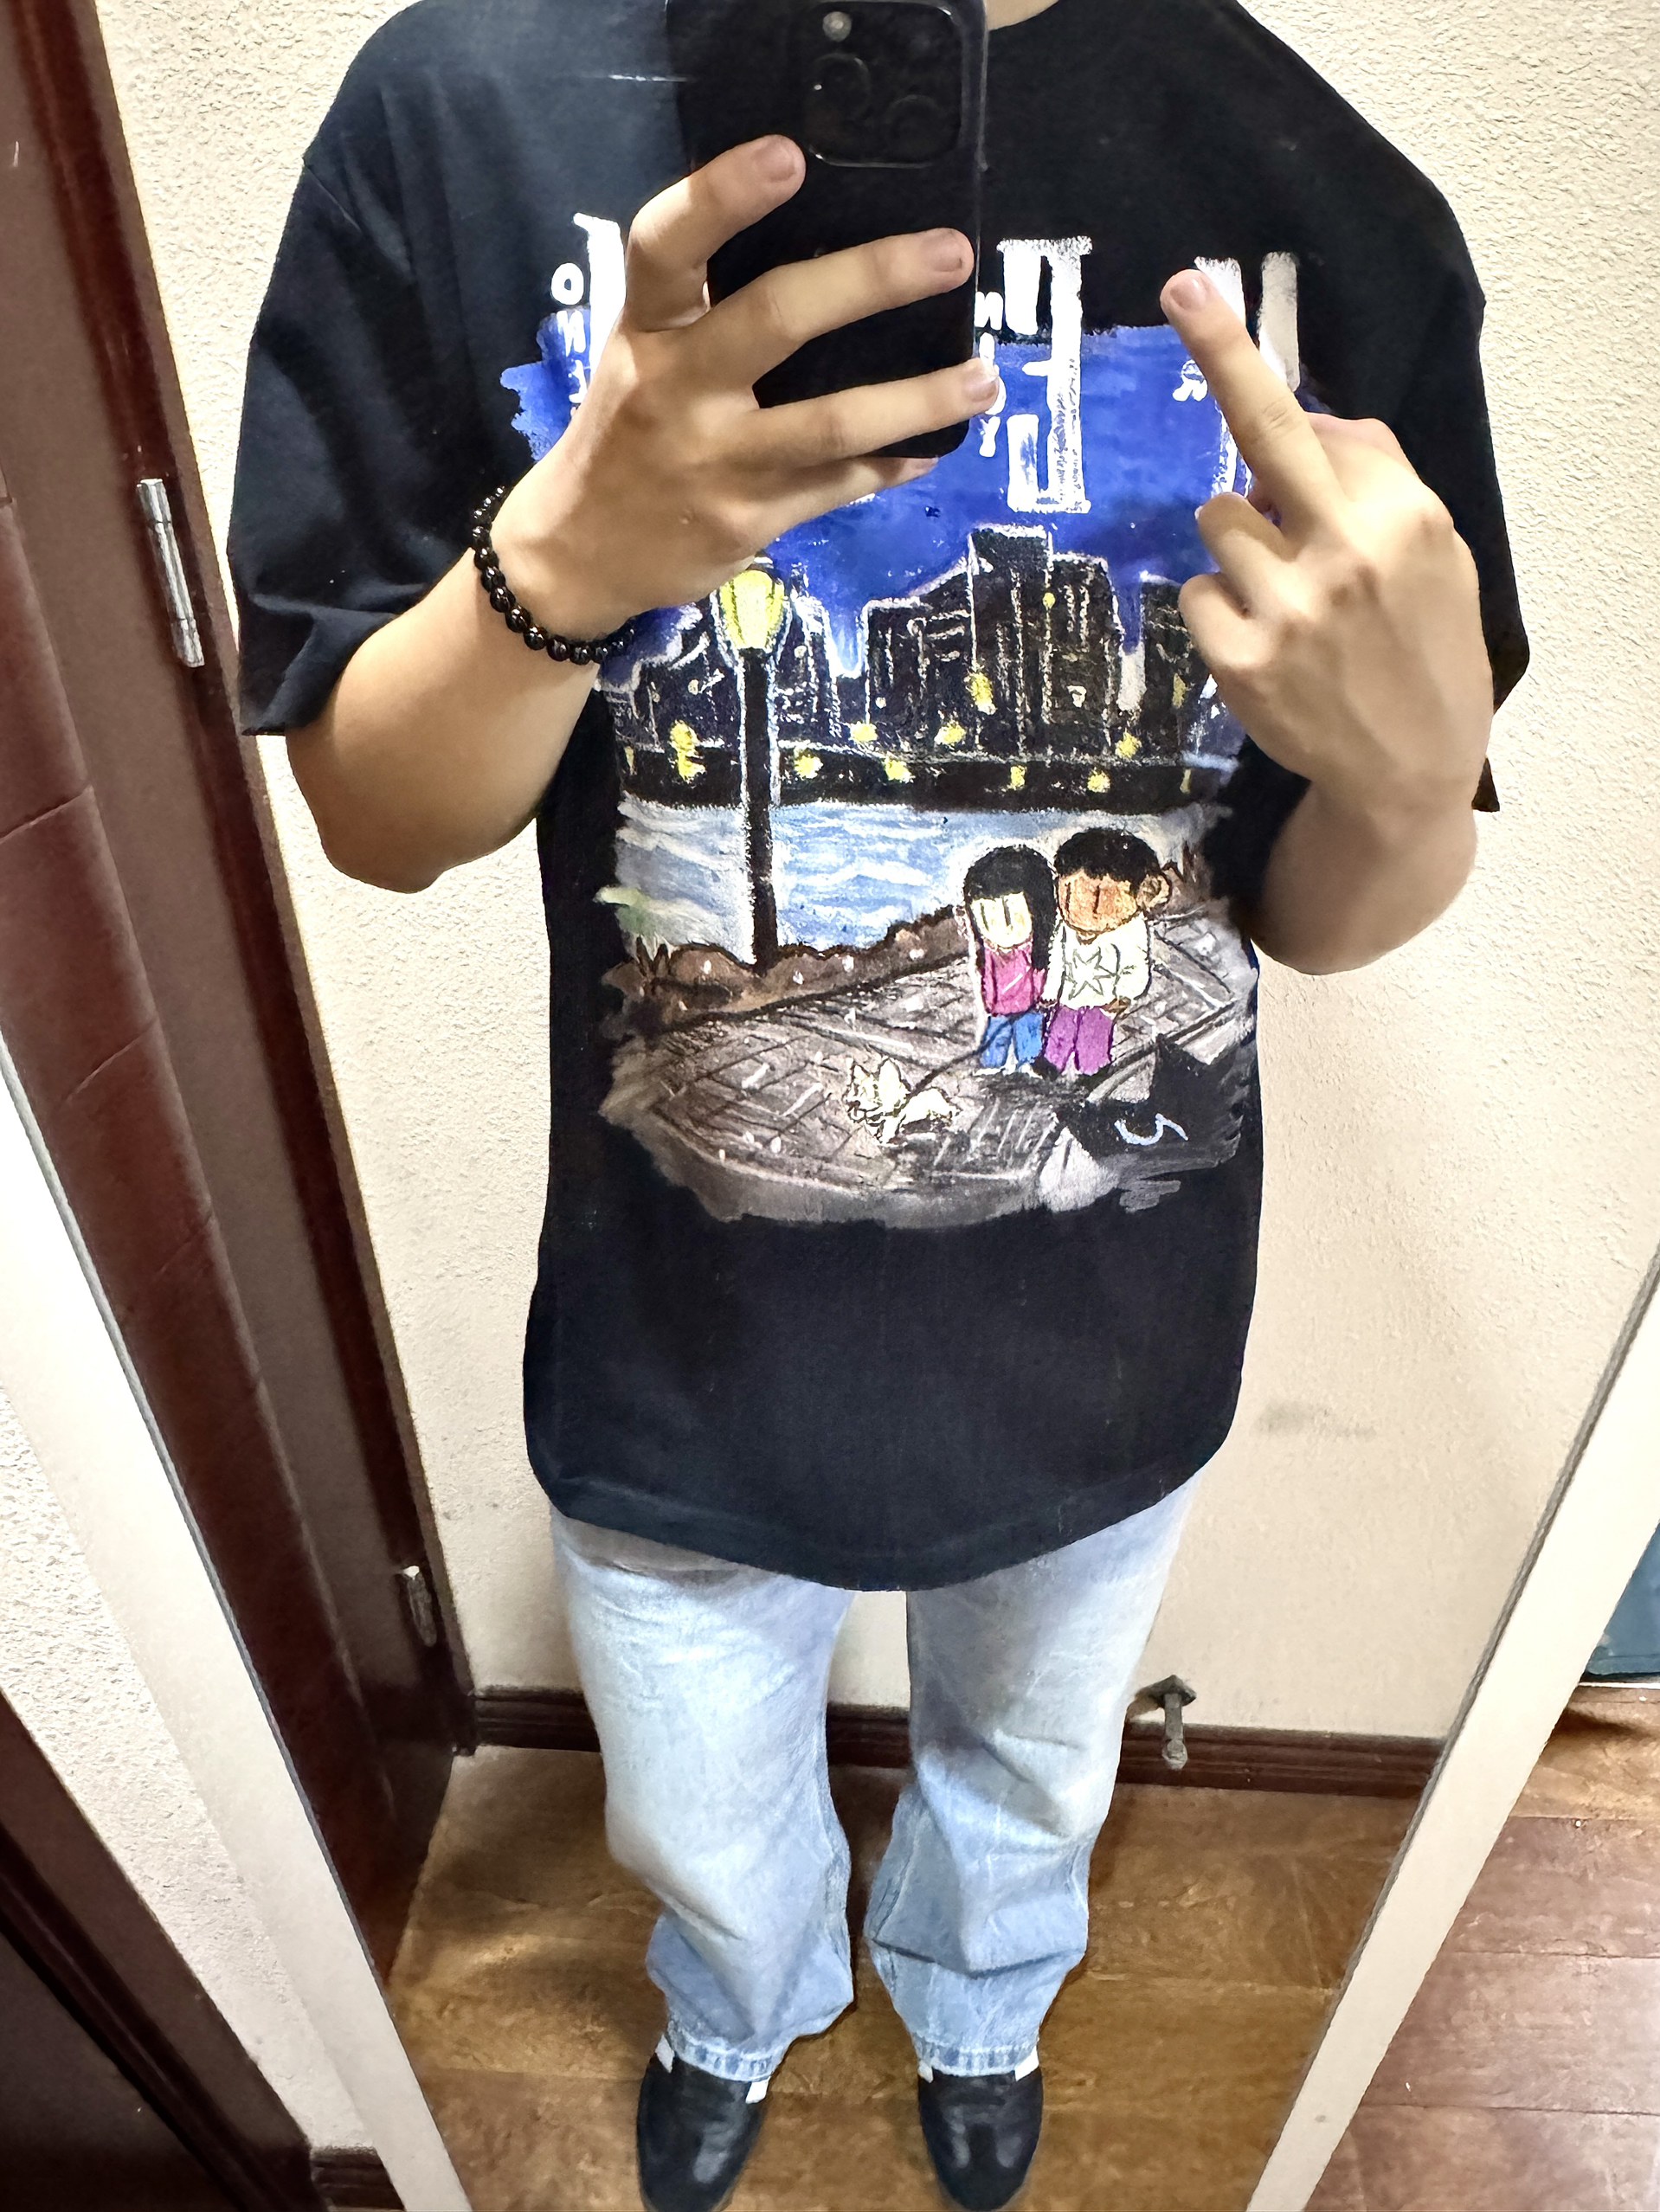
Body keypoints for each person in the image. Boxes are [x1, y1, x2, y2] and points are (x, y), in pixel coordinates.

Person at [230, 1, 1527, 2205]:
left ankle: (980, 2000)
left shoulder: (1325, 197)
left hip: (1110, 1335)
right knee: (689, 1794)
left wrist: (1414, 784)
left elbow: (1309, 915)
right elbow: (377, 816)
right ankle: (739, 2005)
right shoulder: (456, 113)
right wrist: (562, 572)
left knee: (1032, 1757)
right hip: (668, 1334)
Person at [1041, 827, 1170, 1078]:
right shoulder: (1064, 926)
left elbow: (1136, 963)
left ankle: (1093, 1070)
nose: (1075, 908)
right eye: (1067, 894)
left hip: (1104, 998)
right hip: (1069, 995)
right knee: (1060, 1028)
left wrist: (1126, 993)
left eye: (1097, 898)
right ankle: (1051, 1062)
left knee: (1094, 1036)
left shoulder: (1130, 930)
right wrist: (1051, 989)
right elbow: (1056, 957)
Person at [963, 845, 1056, 1073]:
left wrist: (1042, 997)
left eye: (1009, 915)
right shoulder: (989, 951)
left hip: (1030, 1007)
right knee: (996, 1038)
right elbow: (988, 978)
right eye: (985, 917)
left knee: (1029, 1036)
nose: (999, 928)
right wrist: (990, 1002)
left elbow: (1041, 975)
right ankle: (992, 1066)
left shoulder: (1036, 948)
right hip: (1000, 1008)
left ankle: (1029, 1064)